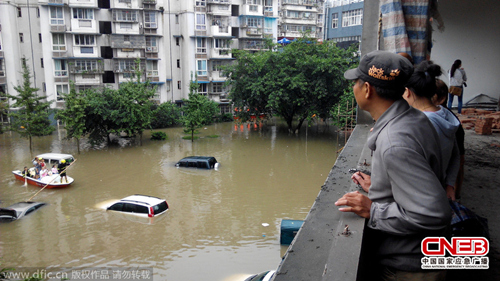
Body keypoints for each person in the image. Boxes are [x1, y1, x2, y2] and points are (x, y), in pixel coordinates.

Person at [335, 50, 451, 281]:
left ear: (367, 89)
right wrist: (381, 185)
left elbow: (434, 213)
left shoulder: (394, 142)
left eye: (356, 82)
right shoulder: (414, 118)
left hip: (410, 265)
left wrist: (374, 209)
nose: (353, 88)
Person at [403, 61, 460, 201]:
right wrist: (449, 185)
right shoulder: (445, 115)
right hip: (439, 189)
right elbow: (455, 155)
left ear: (408, 92)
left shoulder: (421, 124)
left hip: (423, 197)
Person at [434, 79, 466, 199]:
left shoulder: (451, 123)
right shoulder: (448, 117)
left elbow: (458, 157)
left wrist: (452, 188)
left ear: (440, 99)